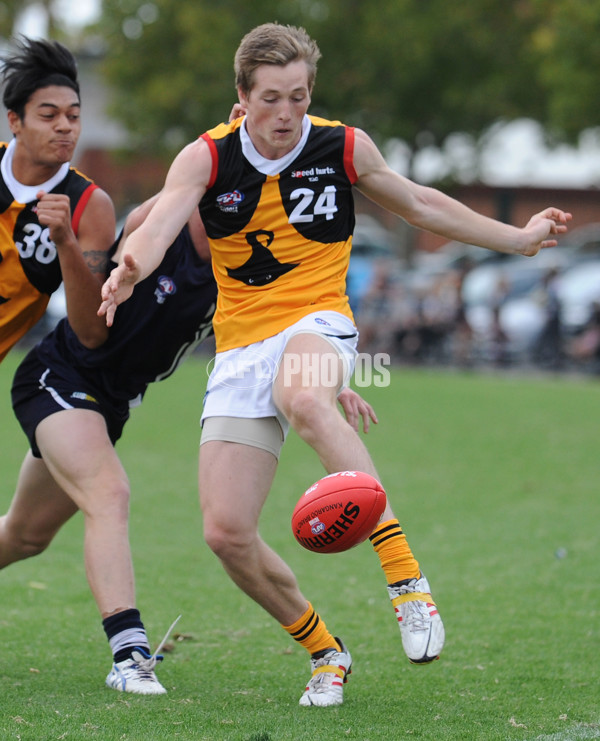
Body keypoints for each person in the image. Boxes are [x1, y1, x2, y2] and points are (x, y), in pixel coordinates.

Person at [99, 23, 572, 707]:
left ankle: (408, 584)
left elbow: (419, 203)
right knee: (225, 531)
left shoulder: (341, 145)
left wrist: (519, 239)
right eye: (270, 99)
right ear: (241, 96)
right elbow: (163, 219)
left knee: (306, 396)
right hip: (238, 349)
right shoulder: (206, 157)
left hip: (317, 321)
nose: (285, 113)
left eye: (297, 96)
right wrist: (129, 269)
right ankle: (327, 650)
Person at [3, 193, 375, 695]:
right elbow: (94, 318)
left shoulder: (237, 261)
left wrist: (329, 380)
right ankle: (129, 653)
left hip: (112, 402)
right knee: (108, 494)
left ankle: (328, 649)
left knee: (25, 535)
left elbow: (279, 331)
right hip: (60, 374)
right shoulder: (154, 224)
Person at [0, 36, 115, 362]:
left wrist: (65, 241)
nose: (65, 127)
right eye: (49, 115)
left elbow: (92, 334)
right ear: (15, 121)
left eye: (73, 116)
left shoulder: (89, 205)